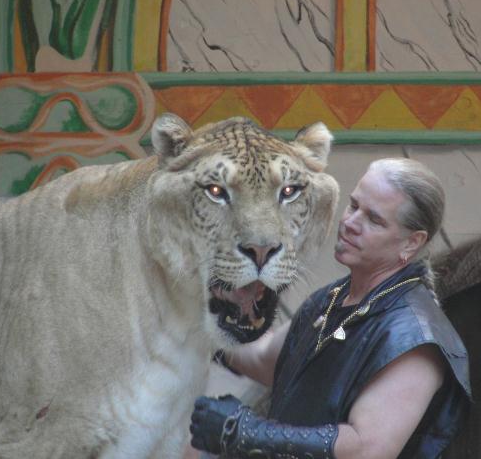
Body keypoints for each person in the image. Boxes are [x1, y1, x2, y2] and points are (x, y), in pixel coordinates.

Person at [189, 158, 471, 459]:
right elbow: (270, 360)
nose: (350, 223)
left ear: (411, 244)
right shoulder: (338, 296)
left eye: (374, 220)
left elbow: (366, 449)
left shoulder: (415, 338)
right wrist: (203, 313)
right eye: (354, 205)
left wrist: (242, 431)